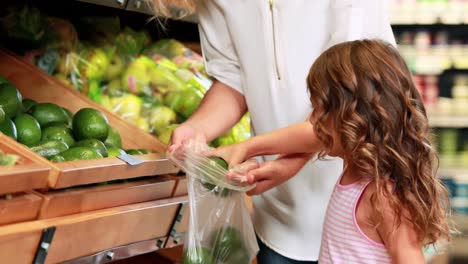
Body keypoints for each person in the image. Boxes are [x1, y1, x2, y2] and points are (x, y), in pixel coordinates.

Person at [152, 1, 396, 262]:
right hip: (277, 217)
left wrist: (280, 157)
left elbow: (353, 95)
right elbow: (233, 77)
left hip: (360, 213)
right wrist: (196, 128)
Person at [206, 39, 452, 263]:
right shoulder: (352, 175)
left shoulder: (383, 195)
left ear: (357, 119)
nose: (313, 122)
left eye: (321, 110)